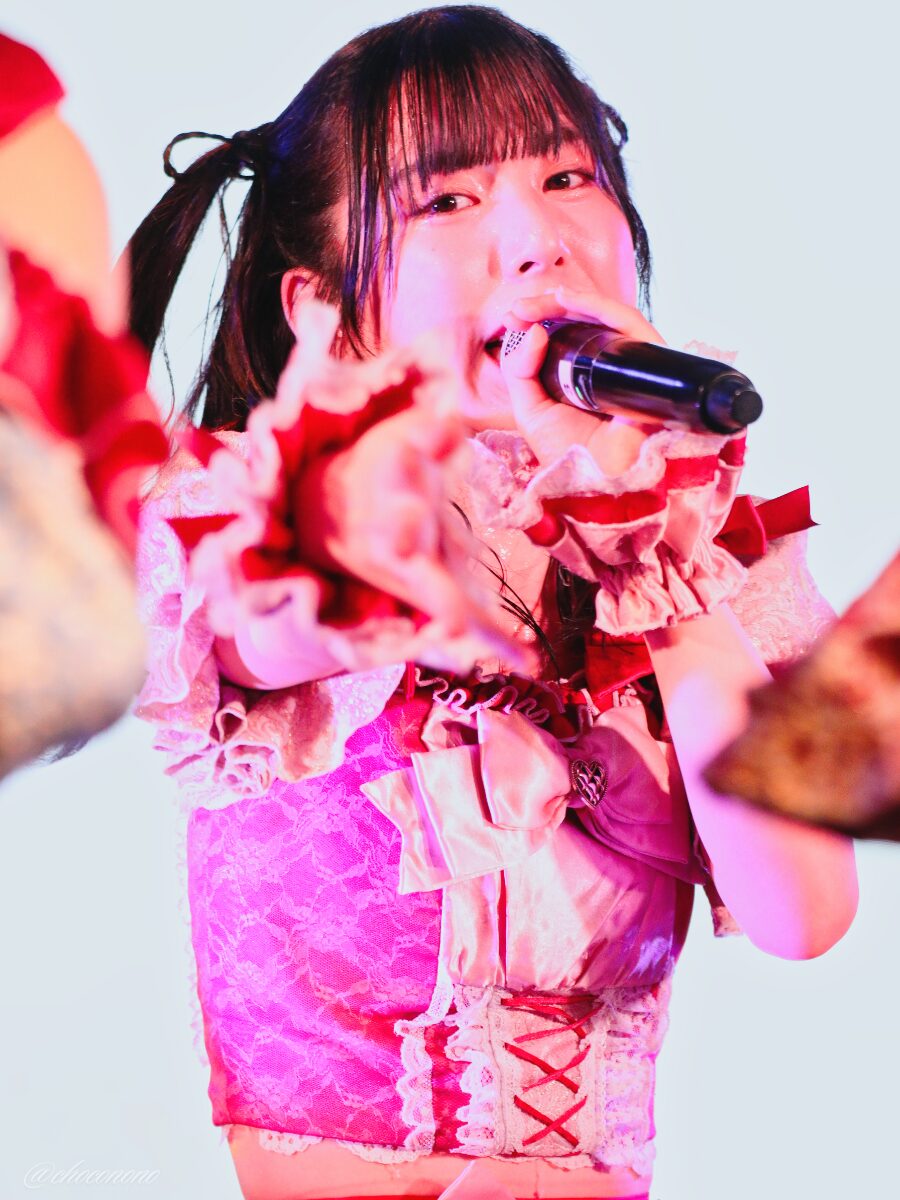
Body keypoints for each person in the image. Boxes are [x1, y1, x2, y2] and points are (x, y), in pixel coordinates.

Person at [128, 8, 858, 1198]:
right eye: (449, 201)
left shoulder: (704, 543)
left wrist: (648, 551)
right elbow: (288, 617)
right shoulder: (253, 508)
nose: (536, 241)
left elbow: (805, 911)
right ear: (322, 303)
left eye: (568, 177)